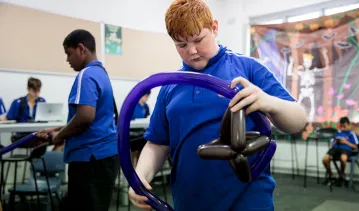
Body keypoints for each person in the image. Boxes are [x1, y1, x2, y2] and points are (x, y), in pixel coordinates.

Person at [128, 1, 307, 210]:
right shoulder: (170, 87)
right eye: (182, 45)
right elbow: (157, 143)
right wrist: (139, 176)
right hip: (190, 201)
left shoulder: (248, 68)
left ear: (214, 27)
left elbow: (298, 120)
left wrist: (268, 101)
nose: (192, 51)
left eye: (198, 40)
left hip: (248, 200)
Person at [36, 29, 119, 211]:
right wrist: (58, 129)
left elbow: (85, 117)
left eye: (69, 53)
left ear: (81, 49)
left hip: (90, 159)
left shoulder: (86, 75)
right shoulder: (101, 73)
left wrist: (59, 137)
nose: (67, 60)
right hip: (103, 158)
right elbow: (94, 117)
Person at [322, 117, 359, 186]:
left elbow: (356, 147)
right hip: (335, 149)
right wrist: (335, 141)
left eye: (344, 126)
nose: (343, 128)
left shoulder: (351, 134)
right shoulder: (337, 133)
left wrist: (346, 142)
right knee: (325, 159)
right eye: (341, 126)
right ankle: (331, 175)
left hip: (345, 149)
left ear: (349, 125)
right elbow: (331, 144)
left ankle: (341, 175)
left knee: (343, 158)